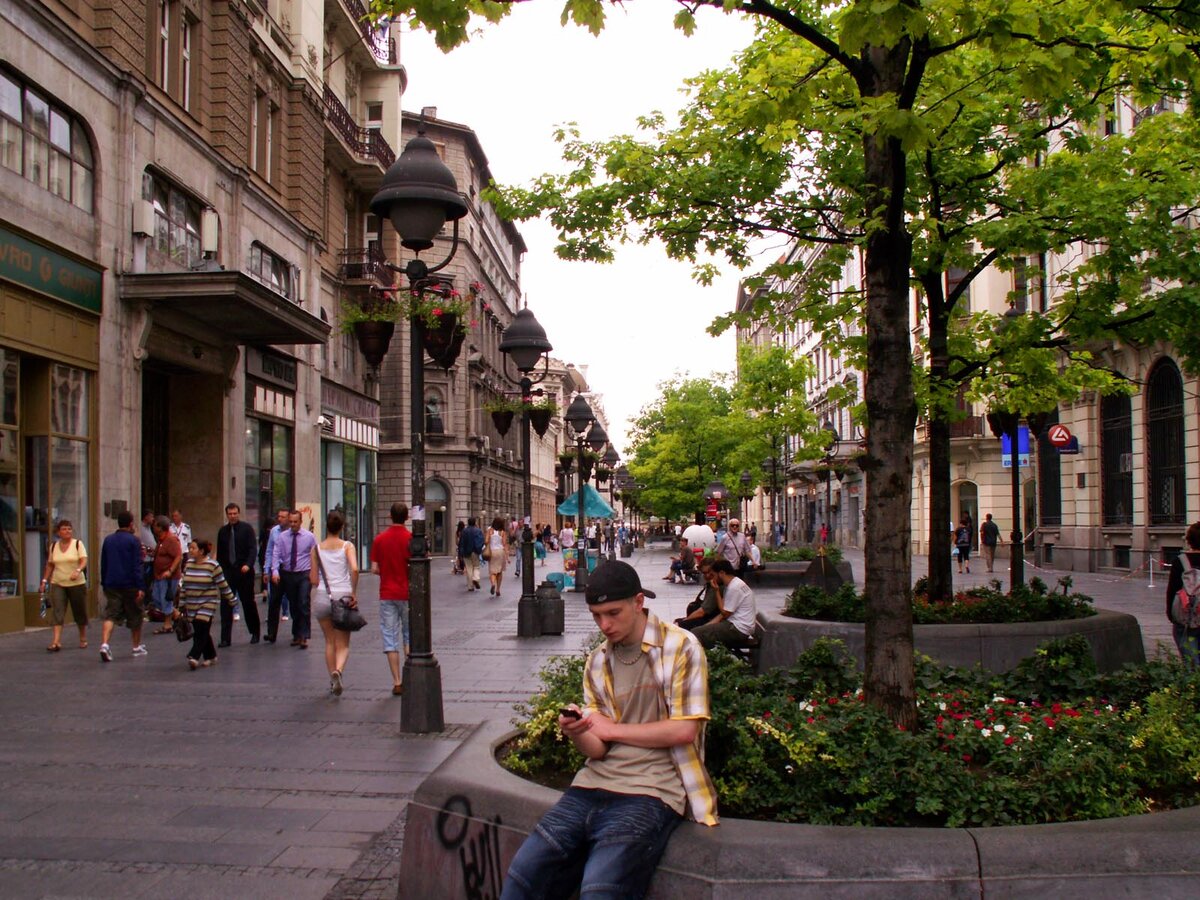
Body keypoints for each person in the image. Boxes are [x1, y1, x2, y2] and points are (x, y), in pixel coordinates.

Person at [501, 560, 718, 898]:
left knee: (600, 889)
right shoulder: (598, 662)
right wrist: (578, 731)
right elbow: (598, 750)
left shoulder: (681, 648)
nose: (605, 624)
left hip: (652, 790)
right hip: (591, 786)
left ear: (638, 602)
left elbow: (684, 731)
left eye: (613, 613)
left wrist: (613, 730)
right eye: (597, 616)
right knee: (522, 875)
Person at [311, 510, 359, 695]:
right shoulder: (347, 546)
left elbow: (313, 579)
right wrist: (353, 592)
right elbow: (354, 569)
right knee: (343, 644)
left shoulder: (316, 549)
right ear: (342, 526)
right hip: (343, 596)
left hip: (323, 595)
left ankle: (332, 678)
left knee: (329, 641)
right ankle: (338, 671)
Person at [370, 502, 412, 695]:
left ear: (390, 516)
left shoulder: (380, 539)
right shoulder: (411, 539)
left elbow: (374, 569)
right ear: (407, 517)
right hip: (408, 593)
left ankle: (397, 681)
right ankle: (412, 674)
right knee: (409, 634)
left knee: (390, 637)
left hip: (387, 593)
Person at [177, 539, 235, 669]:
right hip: (192, 603)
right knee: (201, 630)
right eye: (190, 548)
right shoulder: (189, 564)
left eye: (193, 548)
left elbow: (222, 584)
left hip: (207, 602)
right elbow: (184, 585)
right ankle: (211, 656)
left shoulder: (213, 565)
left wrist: (231, 598)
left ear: (202, 551)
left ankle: (194, 656)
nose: (190, 551)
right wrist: (181, 602)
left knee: (201, 627)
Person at [98, 511, 146, 662]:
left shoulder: (108, 540)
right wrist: (140, 586)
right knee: (136, 615)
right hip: (130, 583)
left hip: (112, 582)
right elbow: (136, 565)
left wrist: (104, 581)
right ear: (131, 523)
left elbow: (103, 562)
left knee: (110, 614)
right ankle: (136, 646)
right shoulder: (134, 541)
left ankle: (105, 644)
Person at [270, 509, 317, 649]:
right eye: (290, 522)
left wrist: (316, 575)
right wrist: (275, 571)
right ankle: (296, 634)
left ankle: (304, 635)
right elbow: (276, 554)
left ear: (301, 522)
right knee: (294, 605)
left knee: (303, 602)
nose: (293, 524)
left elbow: (315, 555)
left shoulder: (309, 537)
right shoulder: (282, 537)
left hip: (304, 573)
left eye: (295, 522)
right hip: (288, 574)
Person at [216, 502, 261, 646]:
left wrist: (248, 564)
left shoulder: (247, 529)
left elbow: (253, 549)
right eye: (230, 514)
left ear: (239, 513)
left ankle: (254, 632)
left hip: (244, 572)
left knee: (248, 603)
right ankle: (225, 638)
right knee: (226, 605)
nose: (233, 516)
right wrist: (220, 572)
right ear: (227, 515)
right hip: (228, 572)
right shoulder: (223, 531)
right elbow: (221, 554)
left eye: (235, 513)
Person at [40, 519, 88, 652]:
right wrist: (44, 580)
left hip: (76, 583)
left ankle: (83, 637)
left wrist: (78, 570)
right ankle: (56, 641)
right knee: (58, 611)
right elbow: (50, 564)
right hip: (58, 582)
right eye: (64, 529)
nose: (67, 531)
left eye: (69, 529)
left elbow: (84, 560)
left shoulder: (78, 544)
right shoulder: (54, 546)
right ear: (58, 532)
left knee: (79, 610)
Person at [693, 559, 759, 650]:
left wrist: (716, 591)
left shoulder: (734, 587)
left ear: (721, 573)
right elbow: (723, 612)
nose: (712, 578)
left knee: (696, 633)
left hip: (738, 629)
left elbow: (724, 613)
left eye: (713, 575)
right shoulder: (733, 584)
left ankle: (702, 658)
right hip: (737, 625)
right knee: (700, 631)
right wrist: (707, 626)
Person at [1166, 521, 1200, 668]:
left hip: (1185, 617)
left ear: (1189, 540)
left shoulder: (1180, 561)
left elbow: (1172, 590)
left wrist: (1171, 614)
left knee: (1190, 663)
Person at [261, 508, 290, 641]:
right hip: (276, 570)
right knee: (274, 602)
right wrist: (266, 570)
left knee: (295, 602)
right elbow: (269, 551)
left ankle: (298, 633)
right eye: (279, 517)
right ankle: (272, 633)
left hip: (291, 570)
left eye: (283, 517)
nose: (280, 519)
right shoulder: (274, 531)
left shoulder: (293, 532)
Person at [149, 515, 182, 633]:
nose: (153, 527)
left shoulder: (171, 539)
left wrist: (170, 570)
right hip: (159, 575)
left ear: (160, 527)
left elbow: (178, 556)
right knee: (156, 598)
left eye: (155, 525)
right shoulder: (161, 539)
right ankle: (177, 614)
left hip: (168, 577)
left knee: (165, 599)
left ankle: (167, 625)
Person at [675, 558, 721, 632]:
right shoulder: (711, 584)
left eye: (709, 572)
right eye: (704, 573)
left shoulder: (715, 586)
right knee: (679, 621)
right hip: (708, 616)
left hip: (711, 619)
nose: (707, 575)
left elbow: (702, 612)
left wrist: (684, 621)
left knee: (678, 625)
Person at [459, 516, 484, 591]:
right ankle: (475, 578)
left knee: (469, 569)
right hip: (475, 551)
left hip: (466, 552)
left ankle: (470, 586)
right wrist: (478, 549)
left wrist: (461, 553)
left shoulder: (464, 531)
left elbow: (461, 543)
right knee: (476, 567)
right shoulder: (478, 531)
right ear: (475, 522)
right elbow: (481, 541)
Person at [486, 516, 507, 597]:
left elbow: (486, 541)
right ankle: (498, 589)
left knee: (492, 571)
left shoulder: (489, 531)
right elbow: (504, 544)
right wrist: (507, 557)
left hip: (492, 552)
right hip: (500, 552)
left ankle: (492, 584)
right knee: (500, 571)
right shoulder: (503, 532)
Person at [138, 509, 156, 587]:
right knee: (145, 582)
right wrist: (149, 550)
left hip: (151, 559)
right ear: (146, 517)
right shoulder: (139, 528)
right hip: (145, 560)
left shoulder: (149, 528)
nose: (153, 519)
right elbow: (140, 543)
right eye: (151, 516)